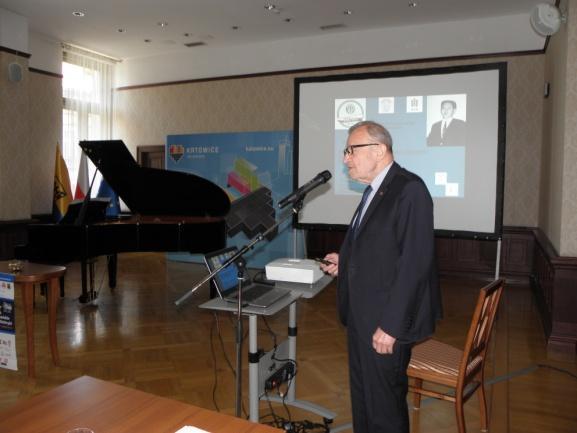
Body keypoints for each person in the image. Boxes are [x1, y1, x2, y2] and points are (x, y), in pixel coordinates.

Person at [320, 120, 442, 433]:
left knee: (385, 408)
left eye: (351, 150)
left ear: (379, 150)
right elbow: (380, 247)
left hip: (385, 322)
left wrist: (390, 326)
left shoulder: (409, 189)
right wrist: (344, 260)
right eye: (345, 151)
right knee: (364, 399)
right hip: (361, 316)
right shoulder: (374, 190)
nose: (346, 158)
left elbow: (415, 263)